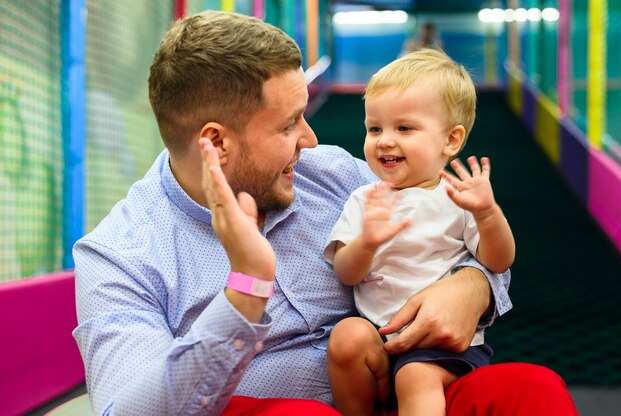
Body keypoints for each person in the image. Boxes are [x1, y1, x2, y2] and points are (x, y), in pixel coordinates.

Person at [72, 10, 578, 416]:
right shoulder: (120, 254)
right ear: (215, 142)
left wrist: (473, 286)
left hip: (406, 391)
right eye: (291, 124)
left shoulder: (331, 173)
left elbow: (453, 230)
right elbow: (125, 409)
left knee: (532, 389)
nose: (311, 140)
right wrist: (245, 289)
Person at [323, 49, 515, 416]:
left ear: (451, 141)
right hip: (378, 333)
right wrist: (366, 243)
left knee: (414, 377)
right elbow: (346, 273)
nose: (385, 141)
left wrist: (487, 214)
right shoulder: (365, 199)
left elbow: (499, 260)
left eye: (404, 128)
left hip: (440, 344)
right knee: (346, 338)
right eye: (374, 128)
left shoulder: (458, 197)